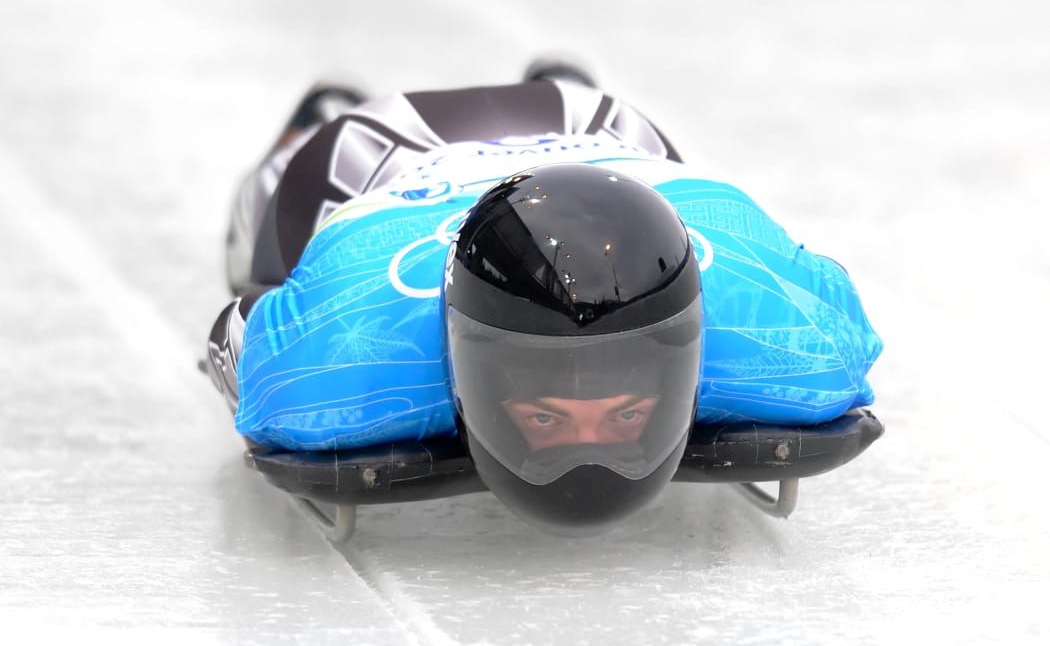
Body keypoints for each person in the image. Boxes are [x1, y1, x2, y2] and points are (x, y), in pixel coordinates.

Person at [205, 61, 882, 533]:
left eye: (625, 414)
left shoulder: (792, 332)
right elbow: (242, 327)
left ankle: (563, 84)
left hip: (607, 135)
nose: (589, 457)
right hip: (372, 150)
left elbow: (229, 337)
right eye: (548, 417)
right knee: (254, 250)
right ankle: (320, 115)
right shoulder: (342, 351)